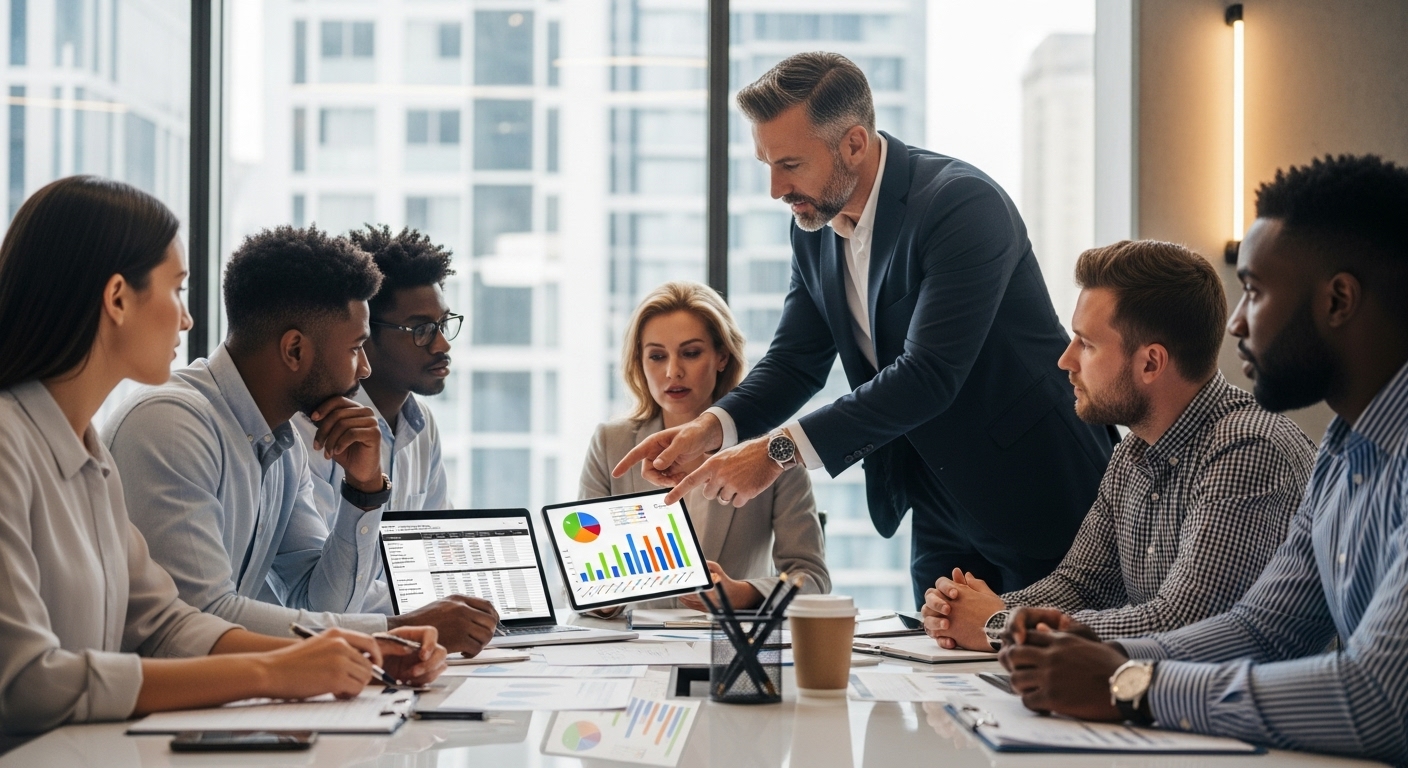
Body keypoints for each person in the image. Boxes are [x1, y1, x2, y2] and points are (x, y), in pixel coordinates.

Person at [613, 52, 1115, 604]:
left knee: (1045, 675)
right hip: (935, 496)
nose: (776, 188)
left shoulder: (961, 204)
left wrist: (775, 452)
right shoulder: (813, 226)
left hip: (1036, 486)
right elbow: (795, 361)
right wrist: (710, 429)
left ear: (854, 142)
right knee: (941, 671)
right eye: (767, 165)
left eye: (791, 164)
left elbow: (928, 374)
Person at [0, 177, 445, 748]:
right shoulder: (32, 441)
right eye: (178, 291)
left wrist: (363, 650)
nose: (187, 322)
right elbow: (25, 682)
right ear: (117, 299)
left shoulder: (84, 451)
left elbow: (165, 622)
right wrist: (277, 672)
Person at [996, 155, 1408, 764]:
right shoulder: (1340, 456)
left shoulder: (1261, 446)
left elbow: (1379, 698)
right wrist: (1100, 655)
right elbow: (1262, 630)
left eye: (1255, 292)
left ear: (1339, 300)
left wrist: (1129, 685)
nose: (1236, 322)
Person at [103, 225, 497, 656]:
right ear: (294, 350)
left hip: (220, 706)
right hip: (153, 712)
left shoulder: (282, 443)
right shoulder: (172, 424)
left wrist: (363, 492)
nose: (364, 369)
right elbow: (202, 618)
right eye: (355, 349)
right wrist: (393, 633)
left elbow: (320, 603)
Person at [921, 240, 1314, 651]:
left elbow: (1185, 622)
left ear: (1150, 363)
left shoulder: (1248, 450)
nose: (1065, 360)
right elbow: (1081, 586)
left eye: (1086, 344)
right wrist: (969, 610)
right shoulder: (1133, 451)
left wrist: (1001, 625)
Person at [581, 282, 829, 613]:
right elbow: (581, 581)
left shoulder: (768, 451)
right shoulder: (610, 443)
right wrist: (601, 599)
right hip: (636, 655)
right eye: (657, 356)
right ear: (639, 363)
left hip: (730, 649)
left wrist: (744, 593)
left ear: (722, 357)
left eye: (691, 353)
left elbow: (812, 579)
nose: (673, 372)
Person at [293, 226, 457, 612]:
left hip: (408, 632)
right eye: (421, 330)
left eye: (444, 325)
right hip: (340, 638)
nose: (442, 344)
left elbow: (440, 551)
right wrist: (425, 611)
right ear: (364, 334)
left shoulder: (421, 426)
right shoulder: (312, 429)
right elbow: (320, 588)